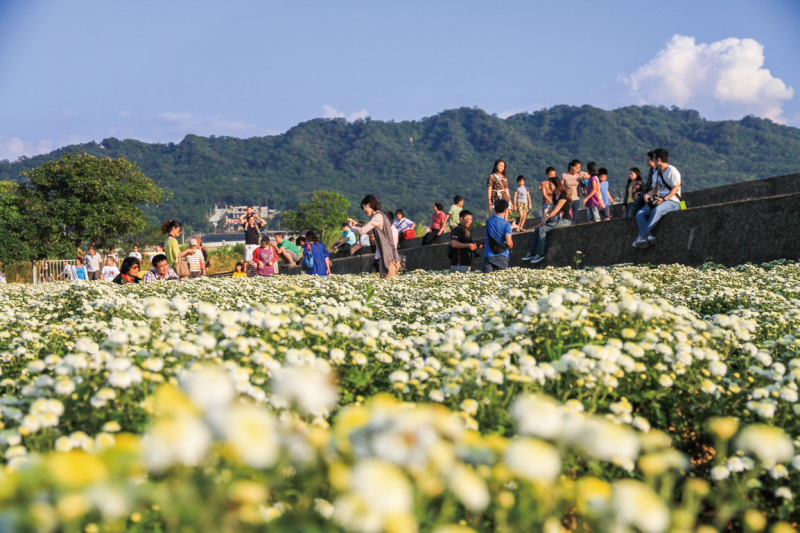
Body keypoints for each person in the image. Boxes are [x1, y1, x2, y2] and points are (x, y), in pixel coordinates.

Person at [633, 148, 682, 249]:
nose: (652, 161)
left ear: (658, 160)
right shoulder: (656, 173)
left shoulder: (672, 170)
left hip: (672, 201)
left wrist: (664, 199)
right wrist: (648, 195)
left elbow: (676, 188)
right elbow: (654, 190)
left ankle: (641, 236)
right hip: (659, 200)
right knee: (640, 214)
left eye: (654, 159)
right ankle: (649, 237)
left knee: (657, 210)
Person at [523, 173, 574, 264]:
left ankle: (540, 254)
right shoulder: (555, 196)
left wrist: (546, 219)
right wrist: (543, 219)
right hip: (556, 220)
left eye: (550, 185)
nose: (549, 187)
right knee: (537, 229)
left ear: (556, 184)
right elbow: (550, 209)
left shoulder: (563, 196)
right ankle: (532, 252)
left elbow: (556, 210)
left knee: (543, 230)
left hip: (564, 220)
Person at [348, 195, 402, 280]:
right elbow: (369, 231)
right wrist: (358, 224)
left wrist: (351, 228)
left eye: (364, 208)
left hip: (389, 258)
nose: (364, 211)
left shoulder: (378, 216)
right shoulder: (379, 216)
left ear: (369, 204)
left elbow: (363, 231)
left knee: (388, 285)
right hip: (386, 257)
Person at [482, 199, 515, 273]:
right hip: (502, 255)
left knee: (486, 280)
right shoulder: (507, 225)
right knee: (502, 281)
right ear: (506, 210)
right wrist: (511, 247)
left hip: (488, 255)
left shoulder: (488, 222)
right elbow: (509, 243)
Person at [562, 160, 589, 225]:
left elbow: (590, 175)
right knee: (568, 216)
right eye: (576, 168)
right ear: (571, 167)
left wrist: (584, 177)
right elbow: (561, 186)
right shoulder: (564, 175)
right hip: (567, 199)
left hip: (576, 198)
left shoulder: (579, 174)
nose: (578, 169)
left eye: (579, 168)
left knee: (574, 216)